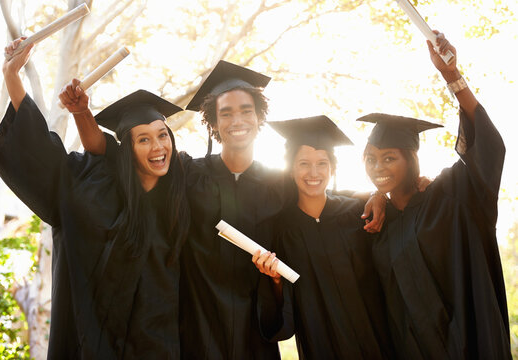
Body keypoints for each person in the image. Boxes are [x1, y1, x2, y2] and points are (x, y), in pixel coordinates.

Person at [78, 60, 387, 359]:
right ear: (213, 122)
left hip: (254, 327)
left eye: (245, 110)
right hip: (198, 323)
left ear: (258, 117)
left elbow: (322, 193)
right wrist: (81, 112)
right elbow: (112, 151)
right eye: (226, 113)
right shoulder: (186, 172)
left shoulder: (278, 183)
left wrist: (376, 195)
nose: (237, 120)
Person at [0, 37, 190, 359]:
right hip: (95, 345)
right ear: (128, 151)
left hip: (158, 346)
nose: (158, 147)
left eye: (163, 135)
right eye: (144, 140)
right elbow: (48, 155)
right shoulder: (96, 192)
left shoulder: (182, 189)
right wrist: (13, 76)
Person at [358, 32, 511, 359]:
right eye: (370, 158)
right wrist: (376, 194)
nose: (378, 166)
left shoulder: (450, 197)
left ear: (411, 158)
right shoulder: (377, 224)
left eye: (389, 157)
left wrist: (451, 76)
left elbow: (489, 148)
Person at [252, 115, 395, 359]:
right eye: (304, 163)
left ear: (332, 168)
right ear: (291, 168)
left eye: (322, 163)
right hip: (321, 344)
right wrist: (275, 281)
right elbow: (283, 302)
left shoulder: (357, 214)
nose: (313, 172)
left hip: (377, 339)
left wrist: (380, 195)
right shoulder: (281, 229)